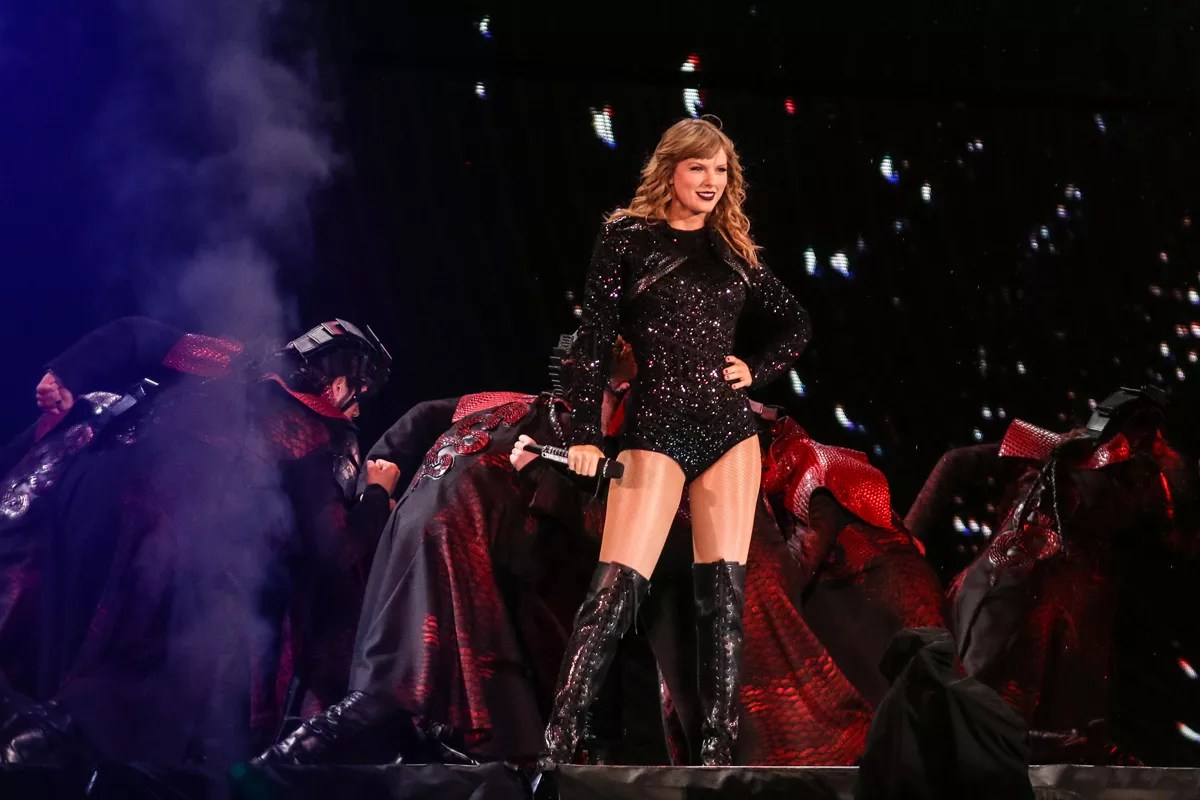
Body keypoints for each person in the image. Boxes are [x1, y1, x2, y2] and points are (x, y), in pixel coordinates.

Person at [0, 317, 396, 766]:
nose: (356, 411)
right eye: (360, 397)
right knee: (186, 661)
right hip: (168, 548)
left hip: (88, 497)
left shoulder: (230, 358)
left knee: (53, 640)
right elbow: (335, 549)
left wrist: (67, 373)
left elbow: (136, 334)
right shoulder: (321, 428)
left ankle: (35, 734)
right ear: (342, 384)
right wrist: (376, 497)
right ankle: (45, 743)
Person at [545, 116, 811, 767]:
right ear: (671, 170)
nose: (711, 181)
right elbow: (594, 341)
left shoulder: (732, 251)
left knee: (723, 598)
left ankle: (717, 751)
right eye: (699, 167)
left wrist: (756, 370)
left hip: (728, 430)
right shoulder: (627, 237)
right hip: (656, 426)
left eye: (721, 170)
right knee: (616, 587)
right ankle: (561, 740)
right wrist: (586, 435)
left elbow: (797, 323)